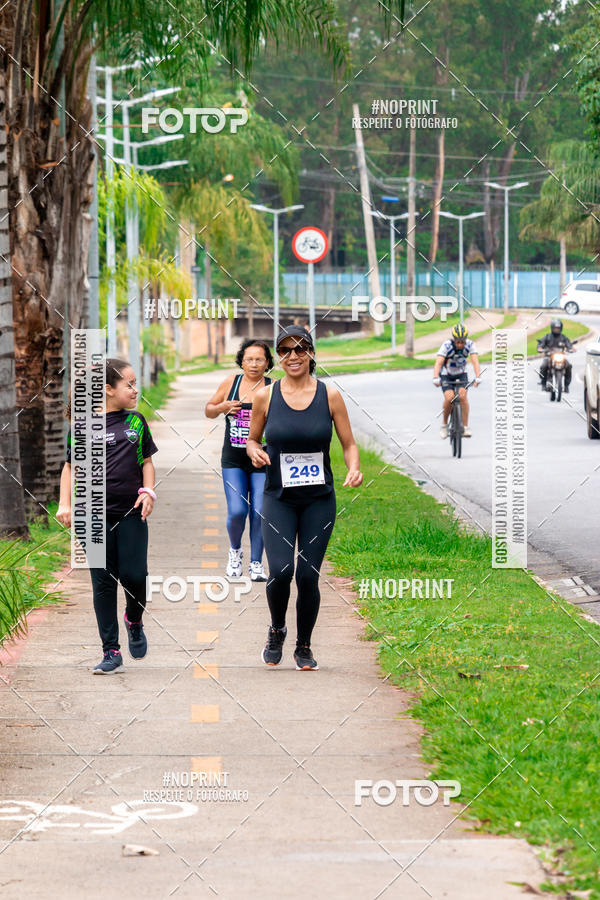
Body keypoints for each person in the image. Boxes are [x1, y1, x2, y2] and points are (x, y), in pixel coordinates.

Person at [246, 326, 363, 671]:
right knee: (280, 571)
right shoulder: (265, 397)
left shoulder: (330, 396)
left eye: (300, 349)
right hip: (278, 498)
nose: (292, 356)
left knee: (308, 575)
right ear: (277, 358)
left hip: (318, 500)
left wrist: (353, 468)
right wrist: (254, 451)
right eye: (284, 350)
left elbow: (349, 443)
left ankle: (304, 646)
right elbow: (253, 439)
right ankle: (277, 628)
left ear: (311, 353)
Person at [56, 359, 158, 674]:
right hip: (91, 516)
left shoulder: (137, 422)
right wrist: (65, 503)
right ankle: (110, 650)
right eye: (129, 384)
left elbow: (147, 463)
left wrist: (148, 491)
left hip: (130, 513)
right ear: (108, 390)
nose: (135, 389)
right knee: (103, 583)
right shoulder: (82, 426)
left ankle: (134, 618)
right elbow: (70, 467)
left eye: (134, 383)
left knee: (135, 576)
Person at [205, 338, 273, 581]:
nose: (254, 364)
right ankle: (235, 552)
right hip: (233, 459)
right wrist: (223, 406)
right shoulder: (231, 383)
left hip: (262, 460)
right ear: (241, 362)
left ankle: (256, 562)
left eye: (259, 360)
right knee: (236, 511)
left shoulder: (273, 387)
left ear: (267, 363)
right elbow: (209, 409)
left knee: (260, 511)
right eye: (249, 359)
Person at [433, 323, 481, 438]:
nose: (460, 344)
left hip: (461, 374)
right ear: (454, 340)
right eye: (458, 342)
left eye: (462, 342)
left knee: (463, 396)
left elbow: (475, 361)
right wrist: (435, 377)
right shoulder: (446, 346)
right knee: (449, 398)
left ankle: (465, 427)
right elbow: (439, 362)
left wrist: (478, 376)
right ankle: (444, 425)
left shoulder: (470, 345)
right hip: (447, 375)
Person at [537, 318, 573, 393]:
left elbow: (569, 345)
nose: (557, 330)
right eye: (555, 328)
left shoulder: (563, 337)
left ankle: (566, 385)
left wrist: (571, 348)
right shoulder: (547, 336)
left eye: (558, 328)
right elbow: (541, 344)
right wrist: (540, 348)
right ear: (552, 328)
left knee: (569, 366)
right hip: (549, 357)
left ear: (561, 328)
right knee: (544, 365)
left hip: (561, 357)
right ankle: (543, 383)